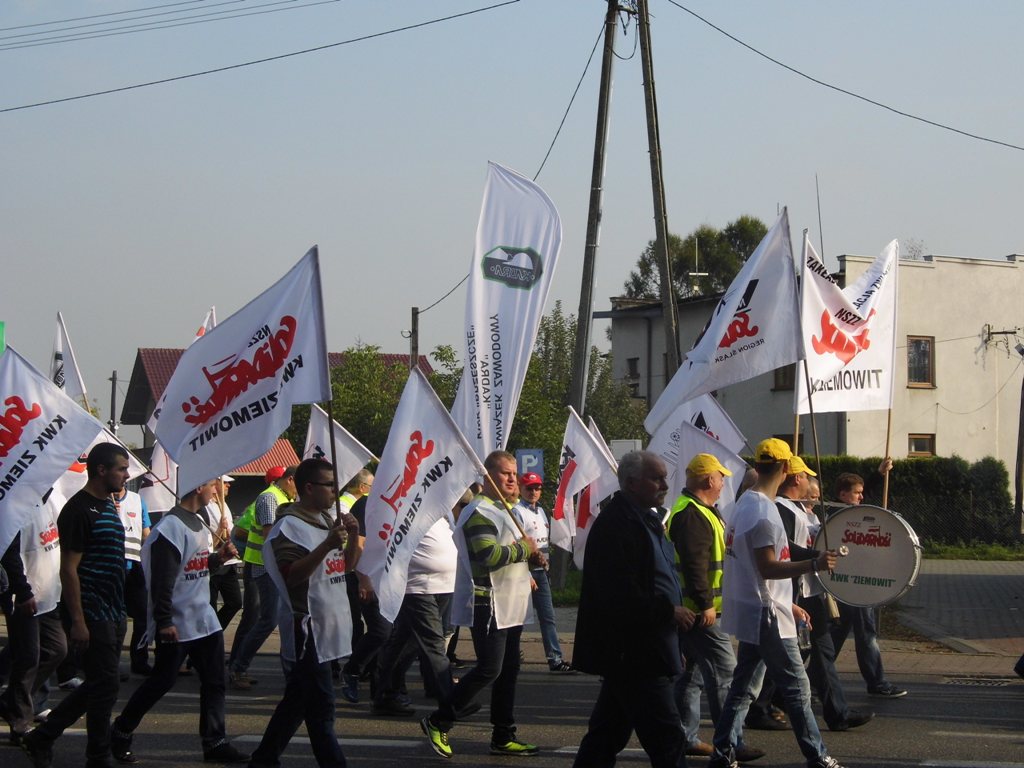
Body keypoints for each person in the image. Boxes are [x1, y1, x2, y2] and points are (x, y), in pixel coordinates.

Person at [708, 438, 846, 768]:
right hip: (767, 613)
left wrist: (790, 601)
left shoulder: (746, 502)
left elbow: (758, 566)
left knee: (743, 687)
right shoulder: (762, 512)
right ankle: (818, 756)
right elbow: (768, 566)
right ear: (785, 468)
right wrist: (814, 564)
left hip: (758, 607)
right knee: (797, 688)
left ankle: (723, 752)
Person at [109, 480, 248, 764]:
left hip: (203, 618)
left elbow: (193, 566)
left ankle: (215, 742)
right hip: (178, 620)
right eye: (212, 485)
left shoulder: (199, 521)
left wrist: (218, 559)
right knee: (162, 680)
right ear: (198, 488)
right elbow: (162, 581)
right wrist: (163, 621)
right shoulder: (170, 528)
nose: (216, 491)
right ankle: (121, 730)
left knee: (215, 681)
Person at [571, 451, 693, 768]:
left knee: (606, 734)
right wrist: (669, 612)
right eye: (656, 478)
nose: (665, 485)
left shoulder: (645, 520)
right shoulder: (616, 525)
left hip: (647, 646)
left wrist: (672, 644)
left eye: (664, 477)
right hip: (635, 651)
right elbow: (620, 594)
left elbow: (659, 577)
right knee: (667, 737)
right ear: (630, 483)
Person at [421, 451, 541, 759]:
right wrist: (523, 550)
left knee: (508, 670)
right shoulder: (479, 511)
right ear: (487, 477)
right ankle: (438, 720)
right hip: (489, 604)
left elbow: (512, 553)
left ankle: (503, 735)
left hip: (512, 603)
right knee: (490, 669)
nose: (512, 479)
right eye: (504, 473)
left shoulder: (506, 509)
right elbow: (487, 555)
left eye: (513, 473)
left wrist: (529, 563)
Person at [246, 458, 361, 768]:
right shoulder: (289, 527)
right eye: (330, 485)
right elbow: (290, 576)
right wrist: (326, 546)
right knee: (322, 708)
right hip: (307, 626)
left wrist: (353, 535)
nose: (336, 491)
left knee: (297, 700)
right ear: (309, 488)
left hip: (330, 623)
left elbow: (346, 566)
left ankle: (263, 759)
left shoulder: (326, 520)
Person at [22, 443, 130, 768]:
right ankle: (97, 755)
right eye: (121, 469)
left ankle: (42, 737)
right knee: (105, 685)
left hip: (114, 609)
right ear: (101, 470)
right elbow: (68, 569)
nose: (126, 475)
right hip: (92, 611)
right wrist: (79, 620)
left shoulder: (107, 504)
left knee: (102, 685)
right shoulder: (78, 510)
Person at [665, 453, 764, 762]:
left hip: (698, 610)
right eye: (721, 478)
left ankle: (685, 737)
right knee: (726, 676)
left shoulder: (698, 510)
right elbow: (695, 563)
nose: (723, 484)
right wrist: (706, 603)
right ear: (709, 480)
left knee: (691, 677)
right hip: (701, 612)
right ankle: (731, 742)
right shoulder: (692, 514)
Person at [775, 459, 872, 732]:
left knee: (820, 649)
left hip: (810, 589)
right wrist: (816, 556)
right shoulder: (782, 509)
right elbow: (784, 548)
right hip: (795, 591)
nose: (811, 484)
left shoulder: (802, 511)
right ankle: (767, 702)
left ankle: (836, 713)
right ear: (797, 479)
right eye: (807, 477)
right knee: (784, 652)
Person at [369, 502, 459, 718]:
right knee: (434, 644)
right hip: (418, 587)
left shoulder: (442, 507)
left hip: (444, 586)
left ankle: (386, 694)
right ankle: (453, 702)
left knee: (406, 644)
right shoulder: (407, 505)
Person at [830, 467, 907, 699]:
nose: (861, 497)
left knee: (836, 635)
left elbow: (867, 495)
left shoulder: (848, 513)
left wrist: (879, 474)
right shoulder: (836, 516)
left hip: (851, 585)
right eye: (856, 493)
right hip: (852, 587)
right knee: (865, 634)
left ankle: (817, 677)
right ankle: (876, 682)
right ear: (843, 495)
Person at [0, 503, 66, 745]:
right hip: (24, 598)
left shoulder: (49, 500)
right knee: (27, 657)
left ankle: (11, 702)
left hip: (48, 594)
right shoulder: (15, 507)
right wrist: (23, 591)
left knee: (57, 650)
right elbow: (8, 554)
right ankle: (20, 722)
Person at [228, 466, 297, 690]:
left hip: (271, 566)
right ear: (290, 479)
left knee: (267, 619)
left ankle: (239, 665)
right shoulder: (269, 498)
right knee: (266, 619)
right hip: (263, 566)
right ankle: (238, 667)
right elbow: (271, 536)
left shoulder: (283, 497)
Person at [513, 472, 573, 674]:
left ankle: (555, 659)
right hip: (524, 573)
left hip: (541, 572)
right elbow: (517, 544)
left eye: (537, 488)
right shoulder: (517, 511)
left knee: (548, 617)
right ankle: (511, 654)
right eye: (529, 488)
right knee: (518, 618)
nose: (533, 492)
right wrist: (527, 574)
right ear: (521, 489)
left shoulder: (540, 511)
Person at [113, 483, 151, 677]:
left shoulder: (137, 500)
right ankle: (111, 664)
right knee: (116, 618)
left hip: (135, 566)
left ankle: (139, 660)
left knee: (143, 615)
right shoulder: (103, 501)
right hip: (112, 565)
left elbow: (146, 533)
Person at [207, 476, 243, 630]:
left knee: (235, 602)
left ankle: (215, 630)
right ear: (215, 484)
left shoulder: (224, 505)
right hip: (215, 561)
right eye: (225, 482)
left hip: (230, 563)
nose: (228, 485)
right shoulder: (207, 507)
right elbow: (209, 540)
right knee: (210, 605)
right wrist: (220, 529)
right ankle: (211, 635)